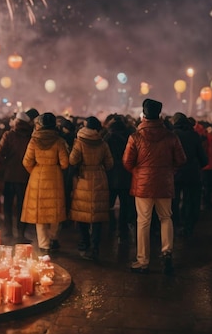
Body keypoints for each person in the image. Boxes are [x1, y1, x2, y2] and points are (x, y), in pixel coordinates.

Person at [123, 99, 187, 274]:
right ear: (159, 114)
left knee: (143, 222)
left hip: (143, 186)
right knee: (166, 217)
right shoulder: (171, 136)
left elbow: (127, 162)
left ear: (144, 114)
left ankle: (143, 261)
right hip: (164, 183)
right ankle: (167, 253)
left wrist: (139, 172)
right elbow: (181, 160)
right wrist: (169, 171)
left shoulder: (135, 137)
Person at [21, 113, 69, 254]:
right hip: (55, 177)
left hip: (37, 177)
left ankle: (44, 244)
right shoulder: (59, 141)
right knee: (55, 210)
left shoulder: (34, 141)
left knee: (39, 213)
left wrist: (35, 171)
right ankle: (53, 237)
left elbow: (26, 162)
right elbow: (65, 163)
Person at [68, 116, 114, 261]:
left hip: (83, 179)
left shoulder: (79, 142)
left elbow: (72, 160)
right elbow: (109, 164)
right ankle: (95, 247)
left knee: (82, 214)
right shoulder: (103, 143)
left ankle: (85, 242)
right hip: (100, 179)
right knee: (97, 216)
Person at [0, 112, 33, 243]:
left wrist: (5, 165)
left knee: (7, 205)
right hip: (25, 176)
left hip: (9, 175)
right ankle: (21, 233)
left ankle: (8, 231)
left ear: (16, 122)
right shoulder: (31, 136)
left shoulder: (9, 135)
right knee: (22, 206)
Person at [170, 112, 208, 238]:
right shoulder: (194, 135)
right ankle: (187, 227)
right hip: (192, 172)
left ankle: (174, 225)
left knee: (174, 201)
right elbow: (202, 156)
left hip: (175, 173)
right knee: (189, 201)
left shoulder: (172, 135)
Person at [103, 115, 135, 244]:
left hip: (110, 175)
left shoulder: (107, 137)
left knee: (108, 205)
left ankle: (110, 229)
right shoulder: (130, 137)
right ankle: (123, 233)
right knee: (124, 206)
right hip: (126, 175)